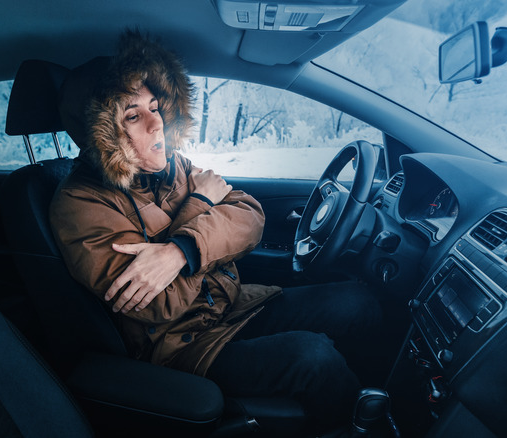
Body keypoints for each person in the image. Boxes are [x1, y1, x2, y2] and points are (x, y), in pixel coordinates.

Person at [50, 30, 381, 431]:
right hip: (182, 346)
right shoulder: (81, 204)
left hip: (232, 305)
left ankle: (379, 399)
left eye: (156, 106)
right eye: (133, 116)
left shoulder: (175, 165)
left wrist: (179, 253)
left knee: (356, 302)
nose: (158, 124)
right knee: (314, 357)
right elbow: (155, 305)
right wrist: (200, 212)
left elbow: (250, 215)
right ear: (100, 136)